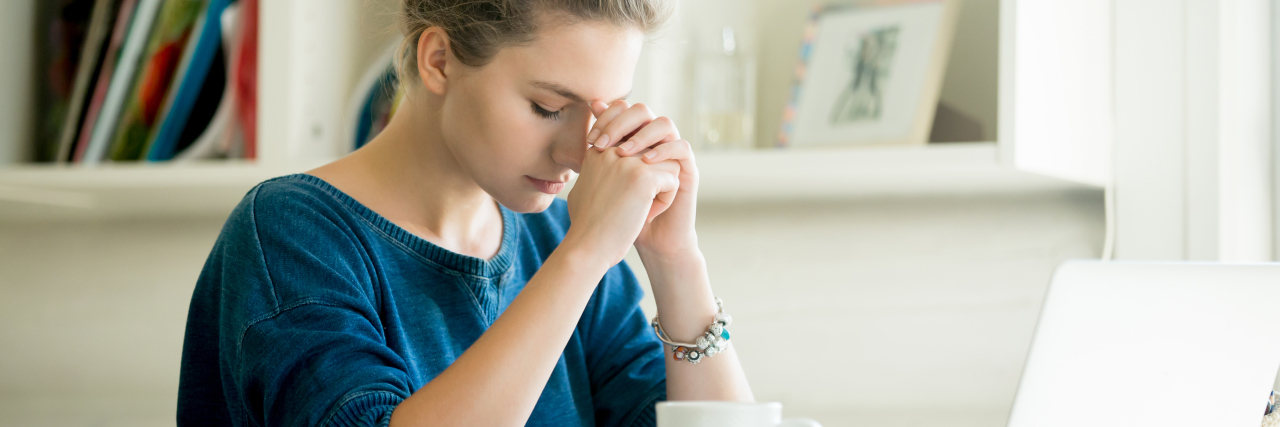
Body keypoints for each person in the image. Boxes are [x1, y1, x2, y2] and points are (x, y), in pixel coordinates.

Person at [176, 0, 754, 425]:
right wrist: (583, 257)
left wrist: (676, 260)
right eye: (549, 106)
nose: (579, 153)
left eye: (598, 113)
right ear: (439, 60)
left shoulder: (556, 237)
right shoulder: (289, 234)